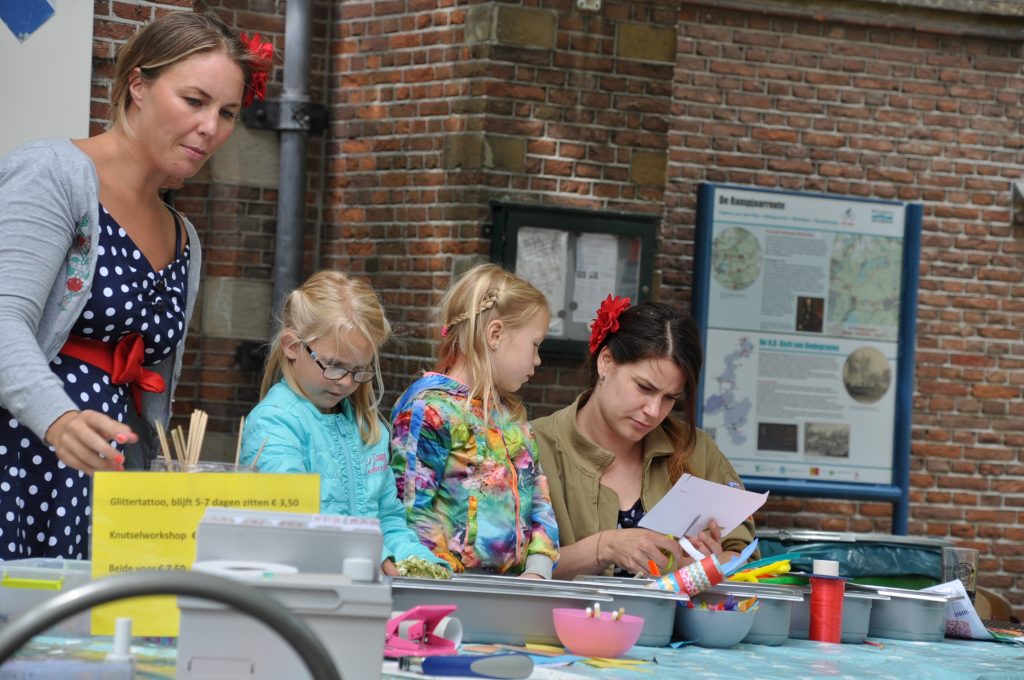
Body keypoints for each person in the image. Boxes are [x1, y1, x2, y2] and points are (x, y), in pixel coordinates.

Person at [0, 13, 271, 560]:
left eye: (226, 113)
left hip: (108, 484)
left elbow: (150, 393)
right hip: (20, 458)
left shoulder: (184, 237)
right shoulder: (54, 172)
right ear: (138, 85)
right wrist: (59, 419)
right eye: (194, 101)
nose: (210, 128)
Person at [531, 297, 755, 580]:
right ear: (606, 362)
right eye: (644, 388)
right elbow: (507, 564)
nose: (653, 411)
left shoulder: (698, 451)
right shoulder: (532, 445)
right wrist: (603, 547)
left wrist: (705, 569)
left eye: (670, 398)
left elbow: (743, 554)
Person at [240, 271, 448, 576]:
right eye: (335, 366)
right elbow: (293, 518)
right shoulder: (275, 423)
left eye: (359, 370)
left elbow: (389, 520)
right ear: (292, 346)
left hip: (355, 589)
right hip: (297, 594)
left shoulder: (367, 428)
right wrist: (375, 556)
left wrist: (419, 563)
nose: (347, 382)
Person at [389, 263, 559, 578]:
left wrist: (538, 571)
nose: (538, 360)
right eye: (535, 345)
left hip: (515, 592)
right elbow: (411, 513)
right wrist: (436, 576)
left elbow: (540, 503)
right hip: (449, 591)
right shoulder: (428, 412)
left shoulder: (513, 422)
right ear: (495, 334)